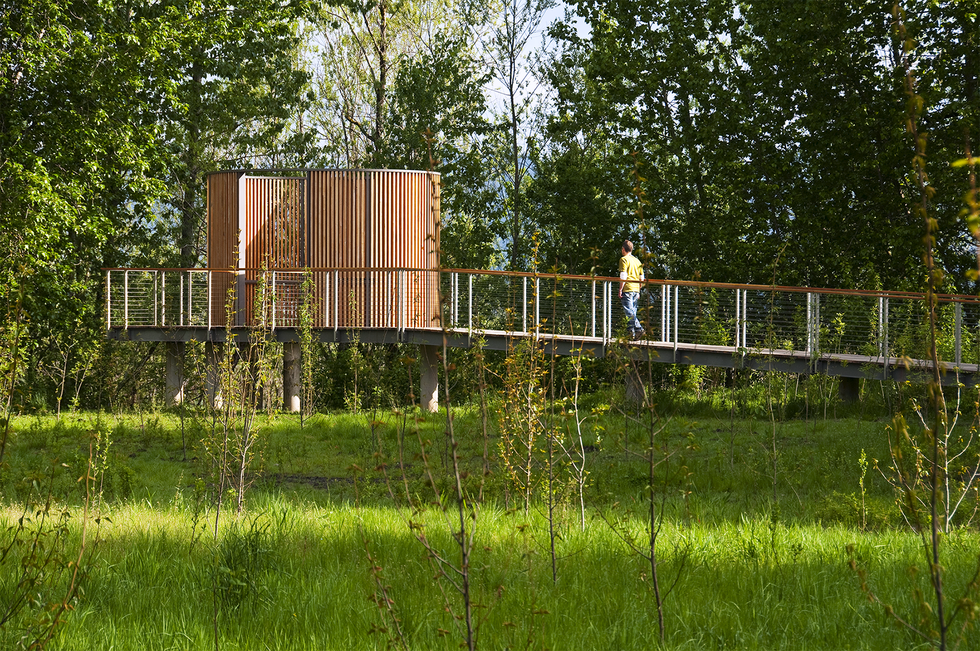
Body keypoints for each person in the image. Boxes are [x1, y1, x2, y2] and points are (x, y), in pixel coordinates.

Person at [619, 240, 645, 339]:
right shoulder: (637, 261)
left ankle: (638, 329)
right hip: (635, 289)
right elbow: (641, 278)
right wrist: (639, 290)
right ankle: (631, 334)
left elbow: (623, 276)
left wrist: (620, 289)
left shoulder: (624, 259)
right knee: (632, 311)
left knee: (628, 312)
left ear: (623, 249)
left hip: (628, 288)